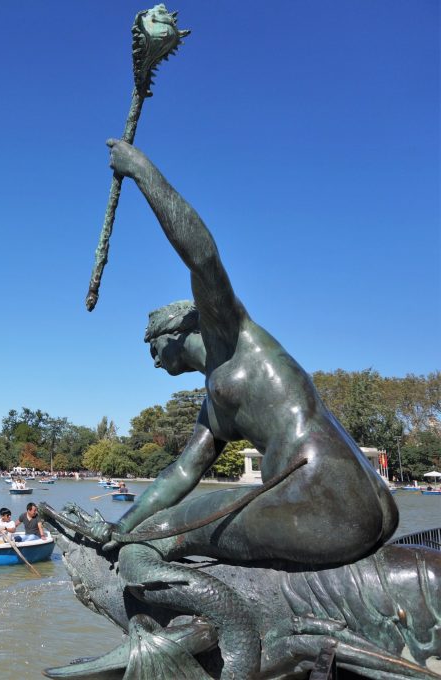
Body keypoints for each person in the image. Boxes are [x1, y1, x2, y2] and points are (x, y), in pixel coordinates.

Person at [86, 140, 400, 678]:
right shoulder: (217, 399)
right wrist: (121, 525)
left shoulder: (233, 336)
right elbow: (181, 473)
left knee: (164, 538)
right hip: (355, 498)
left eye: (151, 346)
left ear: (176, 331)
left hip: (324, 498)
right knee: (153, 528)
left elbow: (202, 255)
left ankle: (222, 647)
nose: (153, 362)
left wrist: (141, 172)